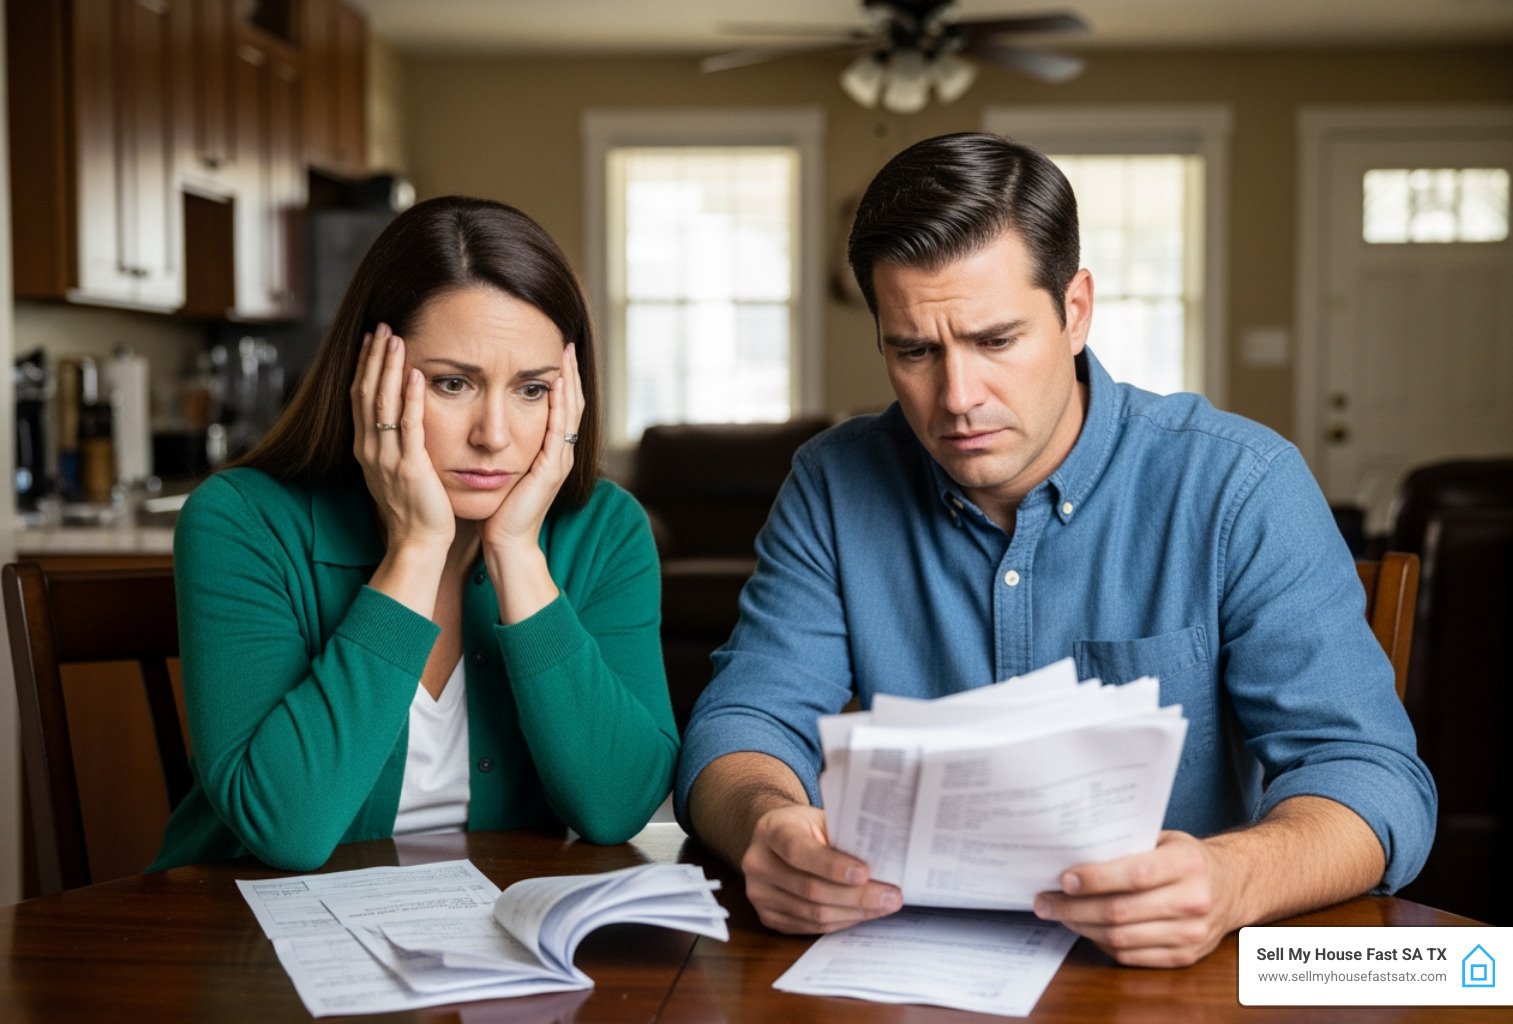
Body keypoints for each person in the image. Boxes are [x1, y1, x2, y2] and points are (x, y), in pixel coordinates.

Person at [677, 134, 1435, 967]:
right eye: (915, 351)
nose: (957, 399)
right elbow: (741, 722)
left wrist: (1233, 877)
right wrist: (769, 825)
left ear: (1076, 310)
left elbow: (1370, 775)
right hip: (909, 970)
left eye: (996, 340)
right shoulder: (833, 483)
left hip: (1170, 980)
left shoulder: (1241, 485)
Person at [151, 196, 677, 872]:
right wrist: (416, 549)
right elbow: (287, 828)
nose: (493, 435)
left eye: (532, 390)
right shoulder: (241, 521)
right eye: (453, 384)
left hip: (486, 944)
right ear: (369, 377)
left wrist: (518, 553)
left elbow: (617, 809)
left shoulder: (607, 531)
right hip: (242, 936)